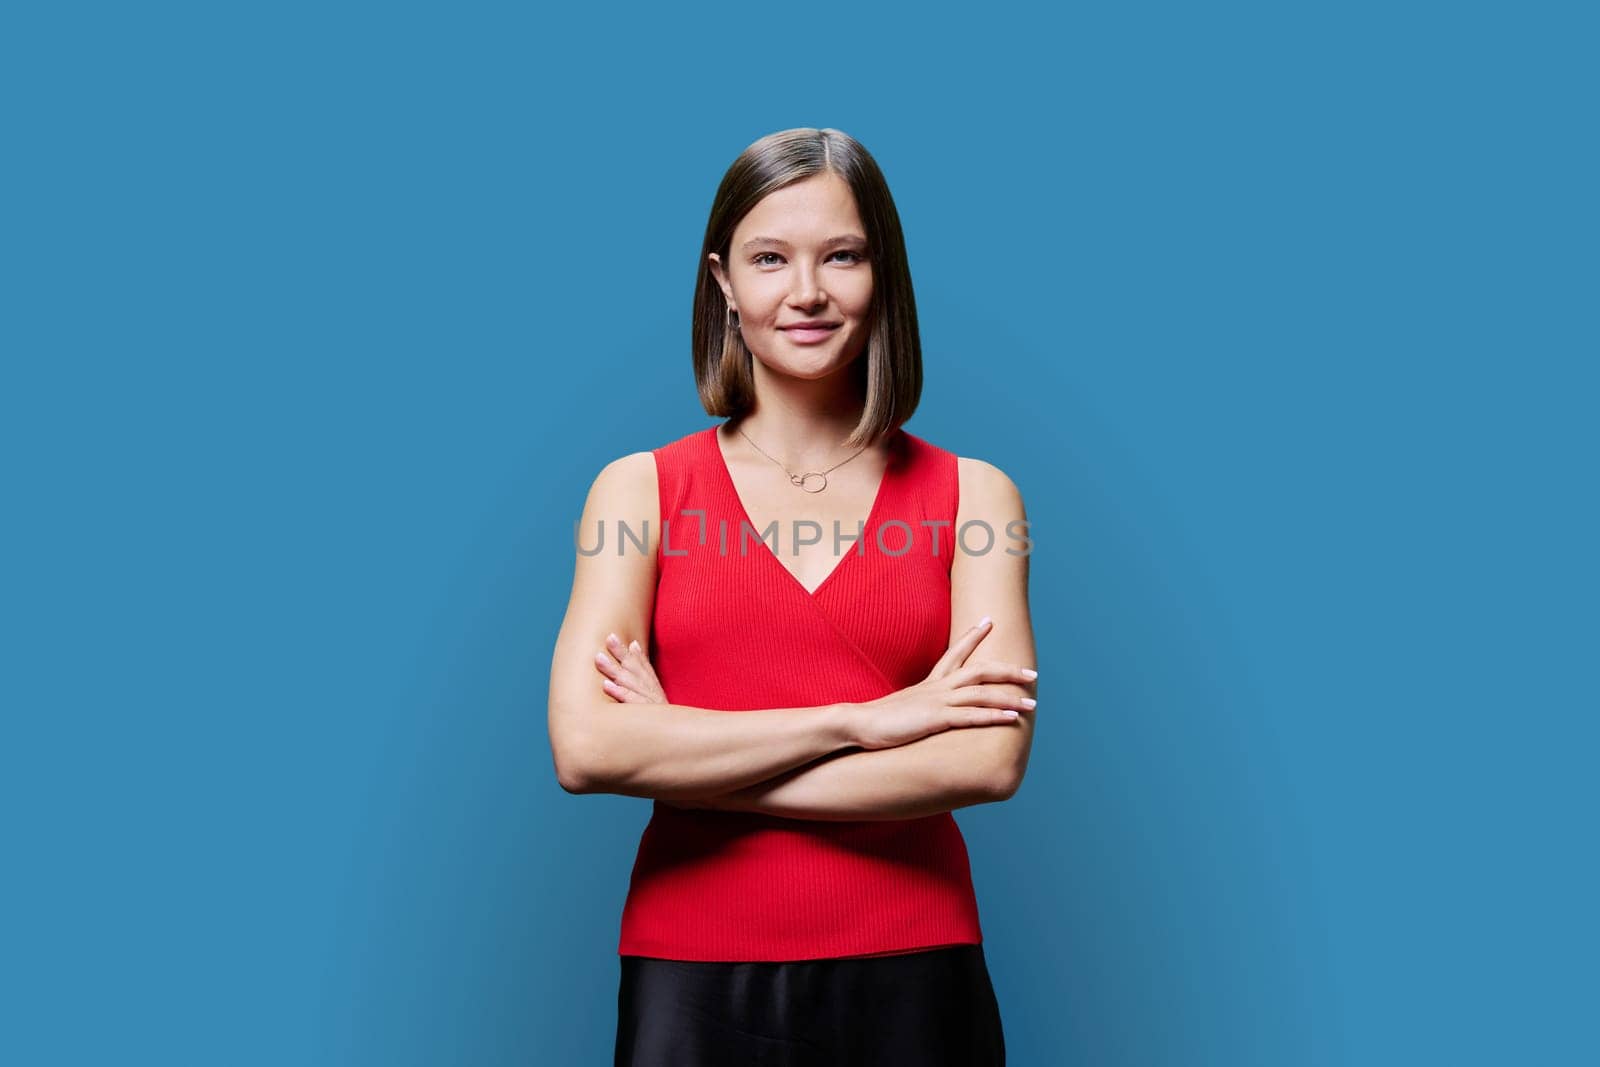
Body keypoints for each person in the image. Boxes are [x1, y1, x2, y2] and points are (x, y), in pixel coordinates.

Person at [547, 127, 1038, 1066]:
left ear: (880, 273)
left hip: (916, 957)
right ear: (724, 281)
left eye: (841, 256)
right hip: (689, 965)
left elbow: (985, 761)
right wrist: (872, 719)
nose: (805, 291)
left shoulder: (977, 497)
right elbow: (586, 747)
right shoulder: (638, 491)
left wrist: (687, 752)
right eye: (770, 258)